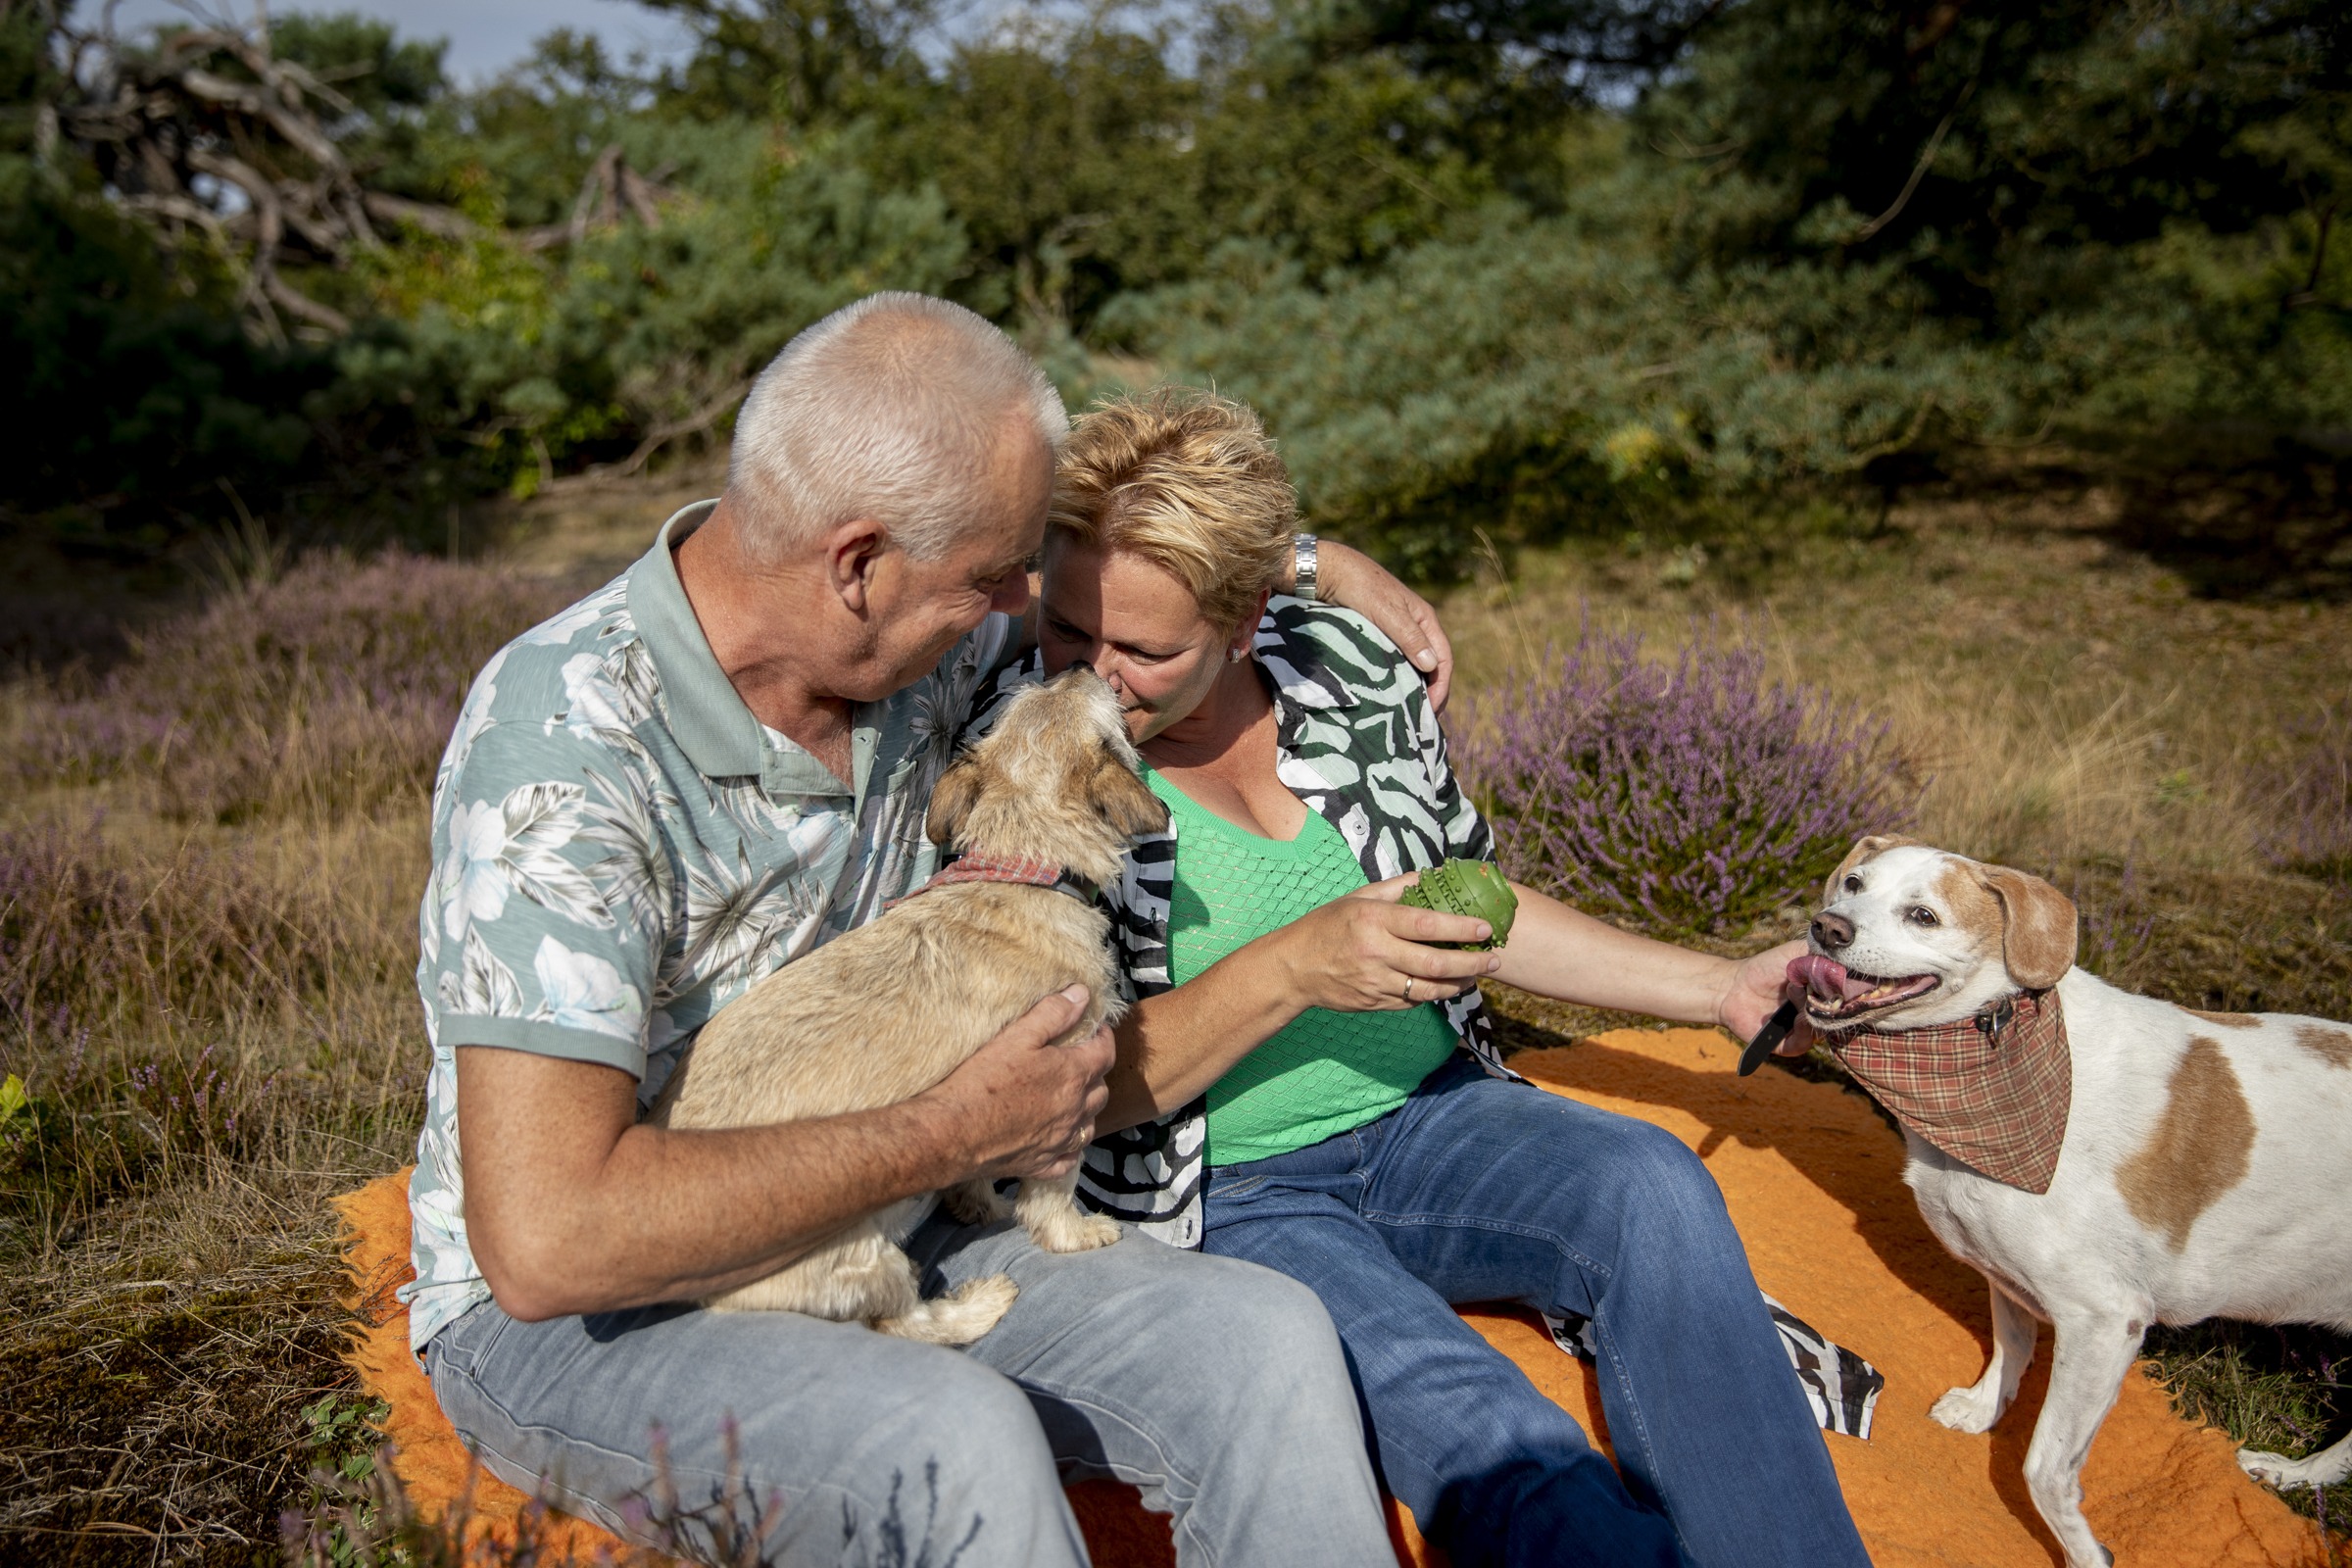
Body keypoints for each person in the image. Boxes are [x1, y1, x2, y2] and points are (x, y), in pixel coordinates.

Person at [404, 295, 1453, 1568]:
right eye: (994, 575)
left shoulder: (909, 657)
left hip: (893, 1214)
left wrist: (1302, 565)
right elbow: (550, 1243)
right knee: (954, 1438)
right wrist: (957, 1130)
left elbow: (1123, 600)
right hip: (603, 1309)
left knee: (1268, 1343)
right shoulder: (566, 755)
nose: (1022, 602)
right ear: (856, 564)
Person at [1033, 388, 1876, 1568]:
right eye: (1068, 629)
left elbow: (1465, 903)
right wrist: (1290, 968)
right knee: (1486, 1428)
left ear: (1245, 620)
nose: (1091, 675)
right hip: (1229, 1194)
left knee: (1651, 1184)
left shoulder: (1342, 673)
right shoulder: (1028, 755)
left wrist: (1719, 987)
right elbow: (1066, 1090)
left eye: (1144, 649)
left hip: (1435, 1119)